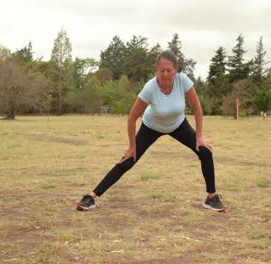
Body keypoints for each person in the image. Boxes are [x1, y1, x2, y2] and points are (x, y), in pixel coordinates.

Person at [77, 50, 227, 212]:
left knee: (205, 151)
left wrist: (199, 136)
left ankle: (211, 197)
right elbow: (132, 118)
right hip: (151, 126)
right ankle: (91, 197)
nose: (165, 74)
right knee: (129, 159)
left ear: (176, 70)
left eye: (169, 70)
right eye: (161, 70)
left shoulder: (183, 81)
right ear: (156, 70)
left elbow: (197, 109)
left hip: (178, 125)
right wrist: (131, 146)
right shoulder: (150, 88)